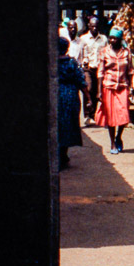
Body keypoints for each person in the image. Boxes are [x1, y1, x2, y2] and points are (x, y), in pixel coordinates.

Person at [94, 27, 132, 154]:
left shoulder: (126, 52)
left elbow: (130, 71)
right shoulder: (105, 52)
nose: (112, 40)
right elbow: (100, 72)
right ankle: (112, 144)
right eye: (110, 38)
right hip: (108, 86)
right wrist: (99, 91)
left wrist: (131, 87)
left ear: (120, 39)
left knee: (124, 114)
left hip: (122, 86)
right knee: (110, 116)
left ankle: (119, 137)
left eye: (114, 38)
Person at [57, 35, 85, 169]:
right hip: (71, 96)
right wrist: (89, 98)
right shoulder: (72, 63)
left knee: (58, 125)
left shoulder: (52, 63)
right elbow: (81, 81)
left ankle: (58, 154)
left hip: (57, 96)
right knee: (68, 125)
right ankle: (63, 154)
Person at [77, 17, 107, 124]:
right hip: (88, 68)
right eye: (92, 26)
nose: (94, 28)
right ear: (89, 26)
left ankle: (93, 115)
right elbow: (80, 53)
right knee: (88, 89)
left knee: (96, 92)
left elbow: (106, 52)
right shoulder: (83, 39)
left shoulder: (103, 39)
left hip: (99, 68)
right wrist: (83, 62)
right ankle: (87, 115)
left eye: (96, 26)